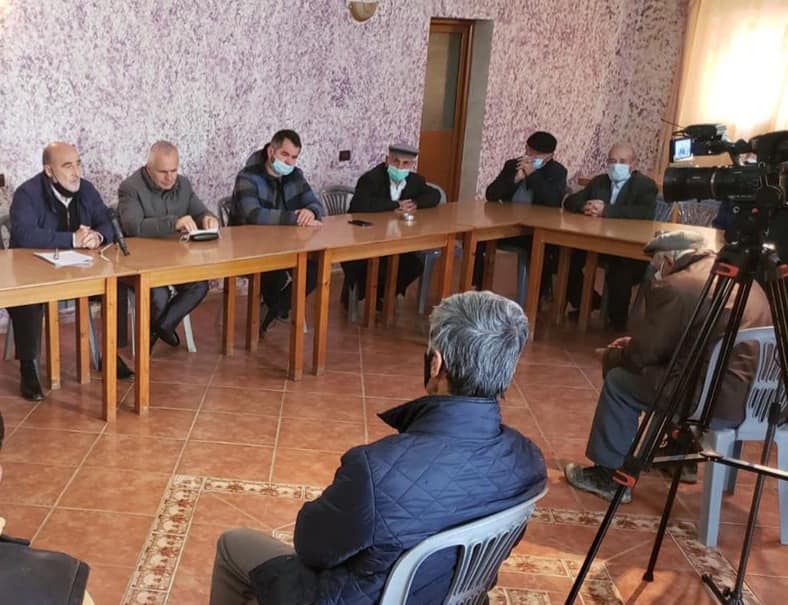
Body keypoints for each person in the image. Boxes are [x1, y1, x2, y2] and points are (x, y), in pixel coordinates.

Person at [209, 291, 547, 605]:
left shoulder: (376, 470)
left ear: (436, 364)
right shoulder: (529, 461)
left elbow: (311, 547)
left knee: (233, 544)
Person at [564, 231, 771, 502]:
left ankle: (610, 476)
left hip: (710, 403)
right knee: (674, 373)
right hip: (760, 402)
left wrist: (614, 355)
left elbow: (643, 355)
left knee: (619, 381)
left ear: (668, 261)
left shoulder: (677, 286)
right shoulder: (744, 278)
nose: (656, 273)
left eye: (656, 266)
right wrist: (639, 345)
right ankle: (680, 454)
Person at [8, 142, 133, 401]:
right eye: (67, 166)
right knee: (27, 298)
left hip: (78, 269)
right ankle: (28, 367)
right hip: (34, 269)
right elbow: (25, 234)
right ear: (49, 171)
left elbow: (107, 220)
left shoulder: (86, 189)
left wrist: (98, 236)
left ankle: (109, 353)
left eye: (78, 164)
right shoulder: (27, 194)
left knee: (116, 284)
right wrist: (72, 240)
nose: (76, 172)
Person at [118, 141, 217, 347]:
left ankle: (161, 327)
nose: (170, 177)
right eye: (163, 172)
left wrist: (208, 218)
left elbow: (200, 211)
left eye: (174, 170)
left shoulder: (183, 184)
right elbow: (133, 227)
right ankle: (153, 340)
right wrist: (174, 223)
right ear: (148, 168)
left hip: (175, 259)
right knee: (159, 294)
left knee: (199, 285)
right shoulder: (130, 187)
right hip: (141, 262)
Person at [231, 129, 323, 332]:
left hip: (286, 245)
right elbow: (253, 214)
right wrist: (295, 218)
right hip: (251, 247)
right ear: (271, 151)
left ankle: (275, 309)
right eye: (285, 155)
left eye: (294, 157)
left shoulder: (295, 175)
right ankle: (274, 309)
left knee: (316, 268)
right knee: (274, 272)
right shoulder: (248, 176)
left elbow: (316, 203)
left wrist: (310, 211)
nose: (289, 162)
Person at [563, 143, 658, 329]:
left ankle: (617, 323)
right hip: (596, 242)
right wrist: (585, 206)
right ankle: (588, 302)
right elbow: (570, 201)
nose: (617, 165)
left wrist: (607, 210)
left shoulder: (645, 185)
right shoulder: (600, 181)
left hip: (628, 248)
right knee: (566, 257)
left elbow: (644, 213)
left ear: (633, 164)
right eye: (612, 161)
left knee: (620, 271)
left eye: (622, 161)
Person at [341, 144, 441, 307]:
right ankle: (364, 295)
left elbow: (434, 195)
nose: (400, 167)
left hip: (398, 240)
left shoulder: (415, 181)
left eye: (405, 163)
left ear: (411, 165)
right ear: (387, 160)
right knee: (373, 266)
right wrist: (395, 205)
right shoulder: (371, 179)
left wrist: (416, 203)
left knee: (414, 266)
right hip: (369, 239)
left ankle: (382, 296)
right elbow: (360, 205)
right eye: (396, 161)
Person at [477, 131, 568, 290]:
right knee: (477, 239)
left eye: (537, 154)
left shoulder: (557, 171)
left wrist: (532, 175)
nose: (531, 156)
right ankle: (478, 286)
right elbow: (491, 194)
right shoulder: (513, 165)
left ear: (550, 156)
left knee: (545, 251)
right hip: (507, 224)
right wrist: (515, 179)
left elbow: (553, 201)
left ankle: (537, 295)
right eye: (529, 150)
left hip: (535, 230)